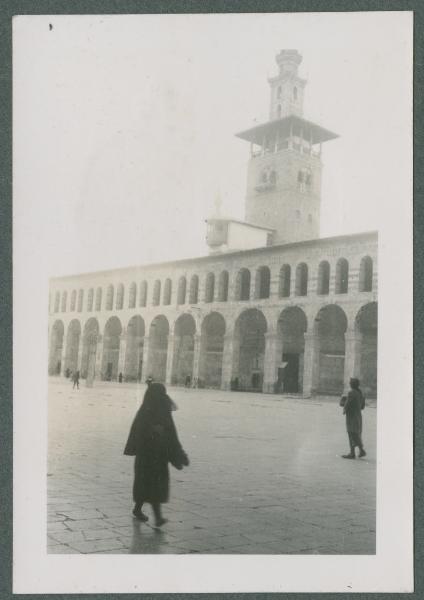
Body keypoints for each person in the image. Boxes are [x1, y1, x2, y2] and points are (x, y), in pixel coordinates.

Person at [124, 383, 189, 526]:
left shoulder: (162, 410)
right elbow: (137, 431)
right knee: (150, 484)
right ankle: (157, 517)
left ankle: (139, 510)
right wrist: (152, 431)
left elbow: (172, 434)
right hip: (147, 455)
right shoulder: (145, 411)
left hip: (159, 456)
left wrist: (179, 454)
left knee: (152, 485)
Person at [341, 377, 366, 459]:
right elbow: (362, 406)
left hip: (351, 416)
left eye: (350, 383)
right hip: (358, 416)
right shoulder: (360, 393)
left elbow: (347, 404)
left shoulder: (351, 393)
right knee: (355, 433)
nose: (349, 384)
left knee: (352, 433)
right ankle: (353, 452)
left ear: (352, 384)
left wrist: (344, 408)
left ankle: (360, 450)